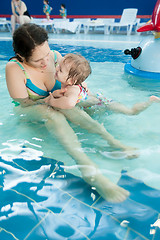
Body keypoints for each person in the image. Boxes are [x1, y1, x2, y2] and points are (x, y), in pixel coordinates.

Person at [5, 23, 140, 204]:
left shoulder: (56, 57)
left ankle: (113, 142)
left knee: (81, 104)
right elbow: (24, 102)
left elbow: (73, 84)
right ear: (22, 56)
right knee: (53, 113)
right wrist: (50, 100)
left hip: (58, 101)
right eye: (39, 60)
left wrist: (80, 93)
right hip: (31, 108)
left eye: (47, 53)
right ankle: (89, 169)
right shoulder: (15, 68)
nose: (47, 62)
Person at [45, 52, 160, 114]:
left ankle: (149, 101)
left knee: (131, 112)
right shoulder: (80, 83)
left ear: (71, 81)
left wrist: (52, 101)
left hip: (99, 104)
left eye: (60, 70)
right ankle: (149, 101)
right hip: (101, 99)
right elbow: (87, 91)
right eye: (58, 66)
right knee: (128, 110)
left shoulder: (72, 89)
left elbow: (69, 104)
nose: (56, 68)